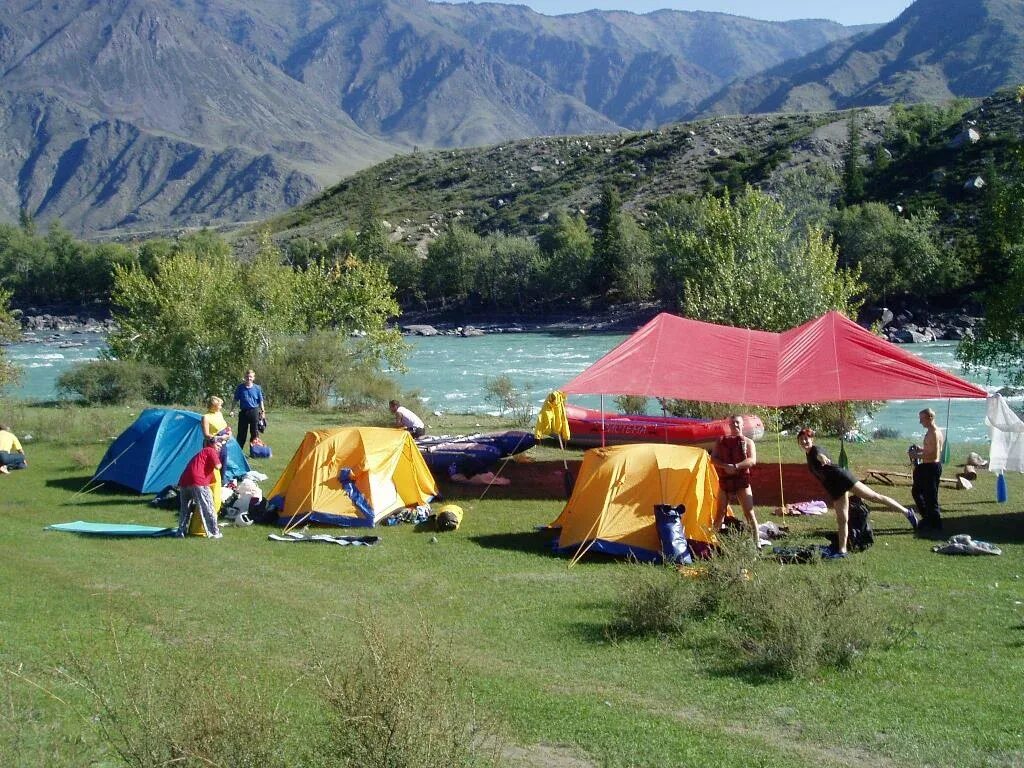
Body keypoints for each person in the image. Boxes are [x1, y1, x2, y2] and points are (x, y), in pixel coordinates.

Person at [797, 428, 917, 558]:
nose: (804, 441)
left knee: (875, 497)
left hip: (843, 479)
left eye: (806, 438)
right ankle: (842, 552)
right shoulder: (808, 455)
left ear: (812, 439)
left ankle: (907, 512)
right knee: (842, 519)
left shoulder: (815, 450)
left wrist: (823, 458)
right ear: (798, 442)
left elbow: (820, 455)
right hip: (834, 487)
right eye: (801, 439)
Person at [710, 415, 759, 543]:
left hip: (742, 481)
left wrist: (736, 466)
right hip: (725, 482)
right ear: (729, 425)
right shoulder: (720, 441)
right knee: (720, 513)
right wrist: (725, 466)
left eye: (737, 423)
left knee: (749, 513)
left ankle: (757, 543)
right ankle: (711, 543)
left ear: (742, 425)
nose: (735, 425)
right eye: (732, 423)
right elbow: (713, 458)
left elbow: (752, 460)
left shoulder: (749, 442)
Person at [176, 435, 225, 538]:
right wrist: (221, 463)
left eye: (221, 446)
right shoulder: (210, 450)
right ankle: (214, 532)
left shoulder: (200, 454)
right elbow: (218, 466)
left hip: (184, 481)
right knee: (208, 506)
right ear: (211, 444)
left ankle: (181, 531)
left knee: (185, 508)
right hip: (198, 481)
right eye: (218, 445)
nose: (219, 448)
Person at [911, 407, 944, 531]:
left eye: (922, 419)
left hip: (931, 467)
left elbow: (934, 455)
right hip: (928, 467)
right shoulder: (932, 431)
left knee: (930, 497)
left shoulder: (934, 433)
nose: (921, 422)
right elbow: (930, 450)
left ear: (930, 418)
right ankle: (927, 518)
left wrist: (916, 455)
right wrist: (921, 449)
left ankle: (935, 523)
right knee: (917, 492)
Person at [231, 369, 265, 448]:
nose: (249, 378)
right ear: (244, 377)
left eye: (250, 377)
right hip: (244, 412)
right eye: (247, 376)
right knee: (241, 433)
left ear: (253, 378)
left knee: (254, 433)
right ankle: (239, 451)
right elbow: (235, 399)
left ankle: (254, 451)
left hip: (254, 412)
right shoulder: (240, 388)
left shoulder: (257, 388)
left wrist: (263, 411)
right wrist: (232, 410)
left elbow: (261, 400)